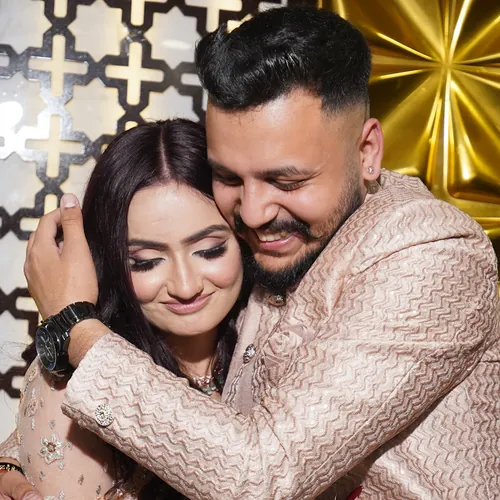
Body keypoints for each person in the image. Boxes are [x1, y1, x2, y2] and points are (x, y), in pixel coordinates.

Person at [2, 6, 499, 499]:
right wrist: (19, 456)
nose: (255, 213)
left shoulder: (432, 253)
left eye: (287, 180)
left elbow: (262, 475)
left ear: (367, 152)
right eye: (228, 176)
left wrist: (74, 325)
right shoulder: (276, 244)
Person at [0, 119, 245, 499]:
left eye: (209, 250)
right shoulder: (71, 386)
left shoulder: (281, 329)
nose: (185, 287)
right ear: (111, 262)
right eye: (146, 262)